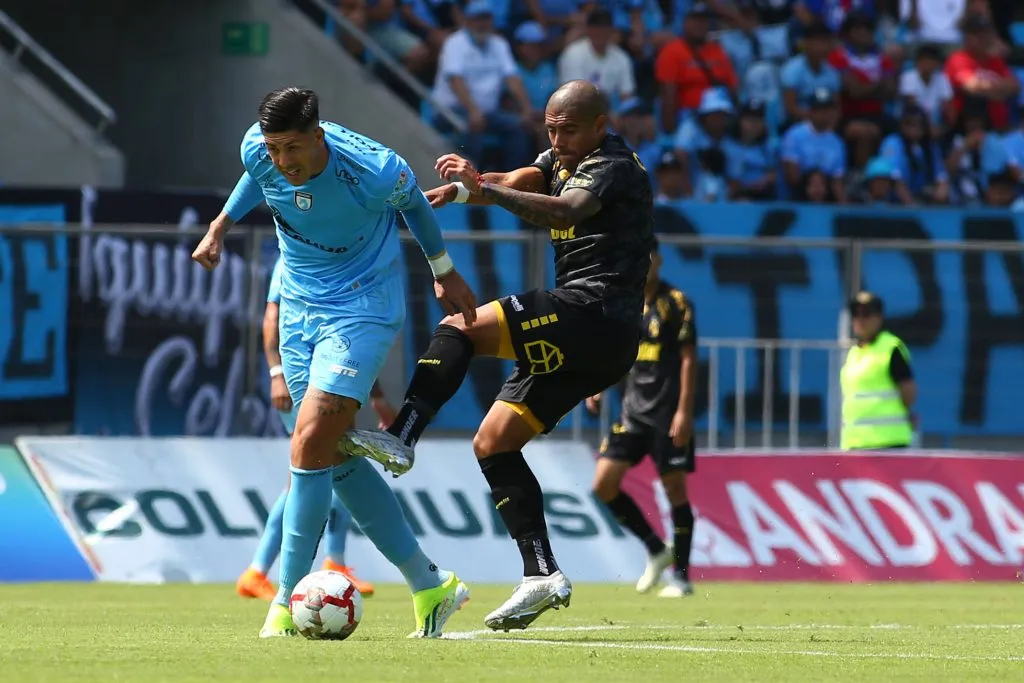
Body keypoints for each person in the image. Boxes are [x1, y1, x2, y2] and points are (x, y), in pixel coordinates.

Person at [343, 80, 654, 631]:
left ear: (601, 125)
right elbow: (519, 180)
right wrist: (473, 184)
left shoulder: (614, 164)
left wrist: (487, 192)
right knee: (493, 443)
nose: (558, 139)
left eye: (569, 129)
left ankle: (402, 436)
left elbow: (564, 212)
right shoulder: (561, 154)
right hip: (598, 342)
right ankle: (541, 574)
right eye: (551, 128)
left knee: (459, 326)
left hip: (594, 312)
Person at [191, 87, 477, 639]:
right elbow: (256, 173)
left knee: (309, 440)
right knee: (336, 456)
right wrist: (220, 225)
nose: (283, 161)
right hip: (300, 309)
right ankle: (430, 584)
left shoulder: (371, 169)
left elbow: (414, 202)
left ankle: (285, 602)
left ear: (318, 136)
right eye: (274, 148)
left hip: (363, 306)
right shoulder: (259, 149)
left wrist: (442, 269)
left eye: (293, 148)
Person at [235, 256, 397, 602]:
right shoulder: (295, 258)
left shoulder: (343, 258)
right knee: (316, 470)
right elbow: (271, 318)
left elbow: (357, 344)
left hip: (334, 381)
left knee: (327, 467)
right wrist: (277, 373)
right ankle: (263, 570)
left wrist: (378, 398)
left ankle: (314, 563)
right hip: (305, 384)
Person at [585, 237, 698, 598]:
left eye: (648, 256)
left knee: (675, 491)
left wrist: (684, 411)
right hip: (633, 413)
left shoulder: (676, 303)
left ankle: (681, 576)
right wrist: (601, 386)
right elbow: (623, 356)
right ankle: (655, 548)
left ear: (659, 260)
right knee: (603, 484)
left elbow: (688, 359)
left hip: (667, 415)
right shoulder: (628, 305)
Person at [840, 292, 917, 451]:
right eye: (856, 314)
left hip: (888, 443)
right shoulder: (854, 352)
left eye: (866, 314)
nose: (860, 319)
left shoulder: (890, 348)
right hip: (855, 444)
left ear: (879, 318)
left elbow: (909, 394)